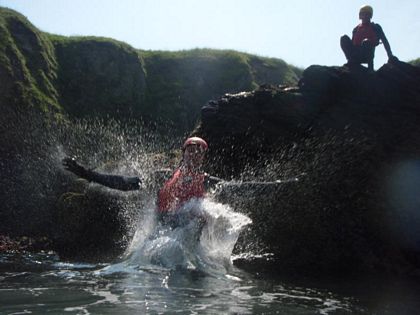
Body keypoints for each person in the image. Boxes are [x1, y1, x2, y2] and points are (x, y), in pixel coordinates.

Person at [62, 136, 222, 228]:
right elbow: (123, 184)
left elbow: (235, 188)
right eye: (190, 150)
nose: (194, 154)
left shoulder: (208, 181)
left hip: (188, 236)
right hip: (163, 232)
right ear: (183, 154)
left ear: (203, 157)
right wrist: (85, 173)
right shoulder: (162, 177)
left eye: (199, 152)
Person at [340, 5, 397, 71]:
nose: (365, 16)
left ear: (370, 16)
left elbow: (385, 41)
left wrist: (390, 55)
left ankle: (370, 67)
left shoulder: (376, 27)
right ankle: (351, 61)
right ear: (360, 16)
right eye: (363, 14)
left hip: (367, 54)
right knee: (344, 38)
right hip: (356, 54)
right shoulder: (356, 29)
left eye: (367, 14)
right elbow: (352, 43)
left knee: (366, 41)